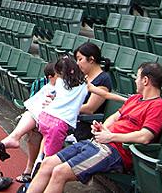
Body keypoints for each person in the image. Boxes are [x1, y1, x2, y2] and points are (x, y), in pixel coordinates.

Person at [26, 62, 162, 193]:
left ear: (145, 80)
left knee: (59, 172)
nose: (135, 80)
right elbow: (115, 117)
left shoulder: (158, 106)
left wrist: (111, 136)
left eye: (137, 77)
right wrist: (102, 128)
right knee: (47, 163)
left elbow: (145, 137)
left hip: (115, 152)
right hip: (98, 143)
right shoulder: (134, 99)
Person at [15, 44, 112, 184]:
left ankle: (38, 171)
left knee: (47, 126)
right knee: (36, 126)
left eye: (80, 59)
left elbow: (90, 108)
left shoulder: (103, 79)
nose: (78, 63)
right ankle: (32, 168)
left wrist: (61, 108)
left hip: (84, 124)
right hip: (68, 118)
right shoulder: (82, 76)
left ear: (91, 59)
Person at [0, 56, 88, 165]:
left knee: (36, 125)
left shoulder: (82, 83)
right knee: (34, 119)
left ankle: (29, 157)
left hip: (62, 122)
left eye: (80, 59)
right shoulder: (71, 83)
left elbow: (88, 108)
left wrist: (57, 104)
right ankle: (31, 161)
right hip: (54, 119)